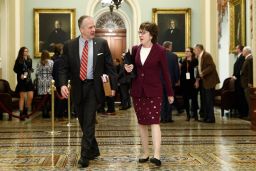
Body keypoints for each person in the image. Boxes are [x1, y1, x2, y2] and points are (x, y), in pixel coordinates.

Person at [58, 15, 117, 168]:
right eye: (90, 27)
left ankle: (84, 156)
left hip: (94, 87)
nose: (93, 29)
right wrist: (63, 84)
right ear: (82, 29)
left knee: (89, 120)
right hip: (77, 88)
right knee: (84, 121)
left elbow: (110, 67)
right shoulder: (69, 45)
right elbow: (63, 68)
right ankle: (94, 149)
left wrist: (113, 87)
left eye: (94, 26)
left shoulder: (101, 44)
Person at [124, 22, 174, 166]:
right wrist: (127, 68)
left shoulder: (160, 51)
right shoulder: (135, 49)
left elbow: (165, 74)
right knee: (141, 123)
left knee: (154, 121)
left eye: (143, 32)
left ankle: (156, 155)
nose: (140, 35)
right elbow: (131, 68)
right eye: (139, 32)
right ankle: (145, 153)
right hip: (137, 91)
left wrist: (170, 93)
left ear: (151, 35)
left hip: (154, 91)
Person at [194, 44, 220, 123]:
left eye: (195, 50)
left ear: (199, 49)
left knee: (209, 100)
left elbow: (212, 67)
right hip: (204, 81)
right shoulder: (200, 56)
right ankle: (206, 117)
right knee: (205, 100)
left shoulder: (207, 55)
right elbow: (199, 68)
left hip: (210, 81)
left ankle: (211, 118)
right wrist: (197, 79)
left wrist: (203, 73)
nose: (194, 51)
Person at [160, 41, 179, 123]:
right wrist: (177, 79)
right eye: (171, 46)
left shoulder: (159, 55)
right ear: (169, 47)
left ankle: (163, 118)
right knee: (170, 99)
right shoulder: (174, 56)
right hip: (170, 82)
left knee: (162, 100)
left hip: (160, 82)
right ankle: (168, 118)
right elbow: (176, 69)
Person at [13, 47, 34, 121]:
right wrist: (20, 74)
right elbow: (15, 69)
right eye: (25, 51)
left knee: (30, 96)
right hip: (21, 80)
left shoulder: (29, 60)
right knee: (22, 97)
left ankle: (26, 110)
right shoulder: (18, 60)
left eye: (27, 51)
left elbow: (30, 68)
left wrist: (30, 70)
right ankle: (21, 113)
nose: (26, 52)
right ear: (22, 52)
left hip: (28, 80)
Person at [180, 47, 199, 121]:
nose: (186, 52)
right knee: (186, 99)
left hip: (192, 82)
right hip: (184, 83)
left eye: (188, 51)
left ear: (191, 52)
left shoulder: (195, 61)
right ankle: (188, 115)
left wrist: (197, 81)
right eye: (185, 51)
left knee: (194, 99)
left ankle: (195, 115)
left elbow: (197, 72)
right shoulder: (183, 61)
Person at [35, 50, 53, 118]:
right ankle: (47, 112)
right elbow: (53, 71)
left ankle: (44, 112)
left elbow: (36, 72)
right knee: (48, 98)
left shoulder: (39, 62)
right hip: (49, 80)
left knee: (43, 98)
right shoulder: (51, 62)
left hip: (41, 81)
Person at [232, 44, 248, 118]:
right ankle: (241, 112)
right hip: (237, 80)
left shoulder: (242, 57)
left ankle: (243, 113)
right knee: (239, 96)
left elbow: (240, 68)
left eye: (236, 48)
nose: (235, 49)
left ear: (240, 49)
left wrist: (236, 76)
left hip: (239, 80)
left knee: (242, 97)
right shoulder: (239, 56)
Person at [240, 46, 253, 119]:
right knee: (248, 100)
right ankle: (250, 115)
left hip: (247, 84)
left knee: (249, 100)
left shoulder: (250, 59)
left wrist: (250, 82)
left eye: (243, 51)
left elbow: (250, 72)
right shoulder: (247, 59)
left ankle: (251, 116)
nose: (242, 52)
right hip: (245, 83)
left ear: (247, 51)